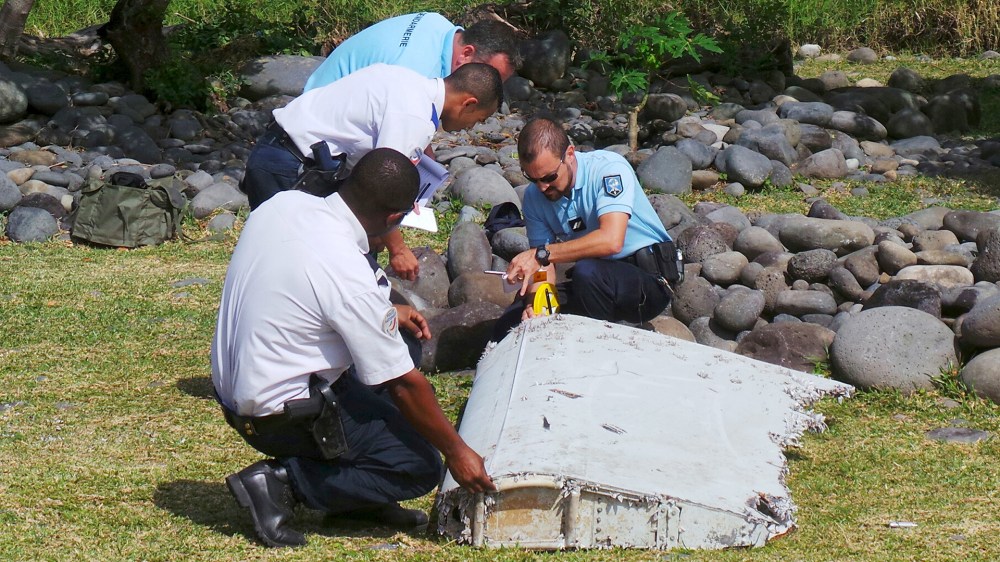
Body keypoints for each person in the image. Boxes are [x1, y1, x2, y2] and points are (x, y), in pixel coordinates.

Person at [214, 148, 496, 548]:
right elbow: (404, 385)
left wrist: (389, 314)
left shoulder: (285, 203)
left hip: (236, 388)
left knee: (402, 347)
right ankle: (282, 482)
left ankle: (358, 499)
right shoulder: (345, 270)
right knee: (416, 465)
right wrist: (457, 451)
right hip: (277, 415)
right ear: (393, 218)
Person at [240, 62, 503, 280]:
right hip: (291, 167)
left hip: (279, 151)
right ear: (468, 103)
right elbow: (383, 188)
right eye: (478, 119)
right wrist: (398, 249)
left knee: (292, 256)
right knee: (290, 265)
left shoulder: (407, 79)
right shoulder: (414, 116)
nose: (470, 127)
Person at [492, 117, 675, 340]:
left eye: (549, 177)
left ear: (569, 154)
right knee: (514, 319)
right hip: (594, 282)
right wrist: (537, 303)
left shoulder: (608, 170)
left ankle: (595, 347)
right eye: (532, 178)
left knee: (587, 272)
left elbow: (611, 241)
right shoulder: (534, 196)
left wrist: (542, 254)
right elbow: (543, 269)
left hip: (647, 281)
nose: (542, 187)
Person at [303, 12, 520, 92]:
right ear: (466, 53)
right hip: (313, 136)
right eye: (490, 77)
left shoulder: (438, 24)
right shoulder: (418, 74)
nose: (490, 89)